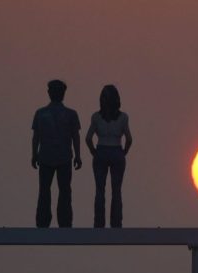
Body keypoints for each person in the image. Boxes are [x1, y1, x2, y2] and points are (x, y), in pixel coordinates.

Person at [31, 79, 82, 228]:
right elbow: (75, 137)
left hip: (51, 157)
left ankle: (43, 222)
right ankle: (64, 222)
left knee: (47, 191)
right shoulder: (70, 114)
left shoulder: (41, 113)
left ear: (49, 93)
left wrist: (34, 154)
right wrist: (78, 155)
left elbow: (36, 137)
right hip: (60, 157)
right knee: (63, 191)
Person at [85, 84, 133, 228]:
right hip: (117, 150)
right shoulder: (123, 117)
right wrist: (124, 151)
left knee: (100, 189)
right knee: (116, 190)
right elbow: (129, 139)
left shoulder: (96, 117)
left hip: (101, 151)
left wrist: (93, 151)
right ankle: (116, 223)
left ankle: (99, 222)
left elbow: (88, 138)